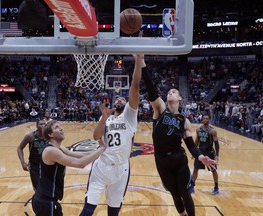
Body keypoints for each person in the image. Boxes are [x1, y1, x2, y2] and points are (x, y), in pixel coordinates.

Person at [141, 68, 216, 216]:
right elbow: (151, 90)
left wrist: (201, 157)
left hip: (178, 158)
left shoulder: (184, 120)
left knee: (185, 192)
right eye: (169, 91)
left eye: (174, 91)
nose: (170, 92)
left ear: (180, 98)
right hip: (161, 160)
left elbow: (190, 144)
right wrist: (142, 65)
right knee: (174, 194)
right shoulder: (160, 109)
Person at [79, 54, 144, 216]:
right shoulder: (106, 117)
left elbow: (135, 87)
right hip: (101, 165)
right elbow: (95, 137)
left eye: (123, 99)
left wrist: (138, 61)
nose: (120, 100)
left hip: (121, 169)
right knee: (88, 209)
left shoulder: (129, 116)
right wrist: (103, 120)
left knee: (113, 212)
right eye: (118, 99)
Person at [31, 120, 105, 216]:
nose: (61, 128)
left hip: (48, 201)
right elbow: (80, 163)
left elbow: (81, 155)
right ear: (50, 134)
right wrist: (102, 149)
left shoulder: (60, 148)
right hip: (45, 201)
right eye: (57, 127)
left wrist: (102, 152)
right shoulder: (51, 151)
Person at [190, 115, 220, 195]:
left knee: (213, 170)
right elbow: (197, 141)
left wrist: (217, 156)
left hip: (209, 152)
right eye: (204, 119)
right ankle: (192, 186)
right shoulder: (198, 129)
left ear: (209, 120)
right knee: (195, 169)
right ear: (202, 120)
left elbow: (216, 144)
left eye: (207, 119)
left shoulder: (212, 131)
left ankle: (216, 187)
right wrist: (194, 152)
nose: (205, 120)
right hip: (200, 152)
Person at [17, 119, 47, 191]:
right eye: (41, 124)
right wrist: (23, 162)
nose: (43, 126)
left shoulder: (49, 136)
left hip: (46, 164)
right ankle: (38, 201)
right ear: (36, 126)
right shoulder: (30, 136)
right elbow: (19, 149)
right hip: (34, 164)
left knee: (47, 185)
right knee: (37, 187)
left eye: (44, 124)